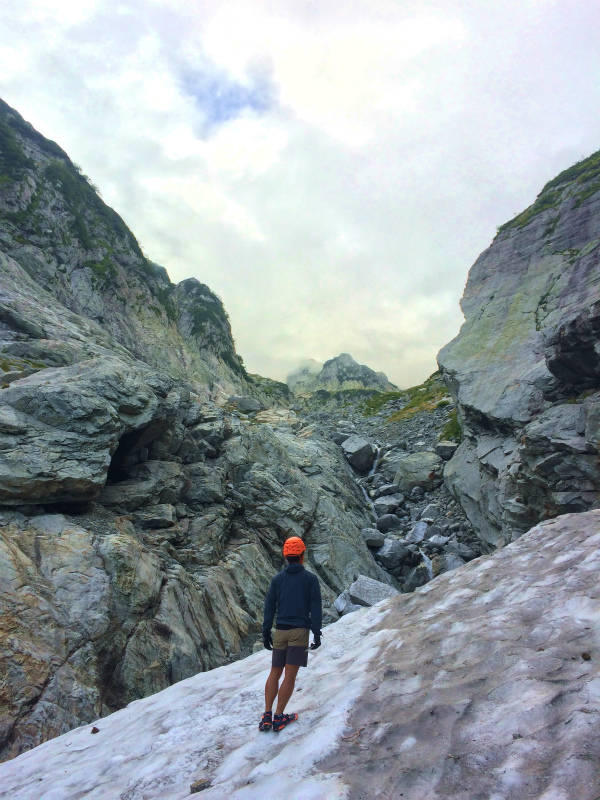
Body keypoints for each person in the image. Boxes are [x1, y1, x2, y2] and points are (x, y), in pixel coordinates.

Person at [259, 535, 322, 732]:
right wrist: (316, 632)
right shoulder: (310, 579)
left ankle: (267, 715)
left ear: (286, 556)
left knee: (275, 672)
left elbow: (269, 607)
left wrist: (266, 632)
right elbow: (316, 607)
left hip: (280, 631)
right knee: (289, 676)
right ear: (302, 555)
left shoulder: (277, 579)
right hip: (299, 632)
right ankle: (279, 717)